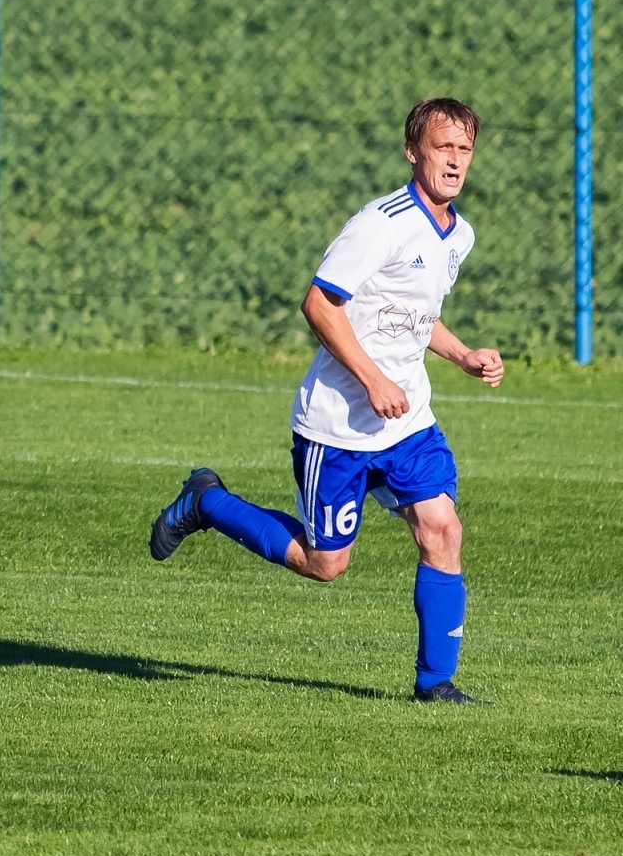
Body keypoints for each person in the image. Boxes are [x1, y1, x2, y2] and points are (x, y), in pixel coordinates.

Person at [149, 97, 503, 704]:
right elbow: (319, 303)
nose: (454, 161)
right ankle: (207, 502)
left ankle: (435, 684)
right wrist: (370, 379)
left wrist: (464, 354)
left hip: (408, 421)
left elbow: (416, 317)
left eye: (463, 149)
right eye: (442, 148)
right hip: (338, 424)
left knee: (442, 529)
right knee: (325, 564)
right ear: (413, 151)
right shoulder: (381, 223)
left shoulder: (458, 234)